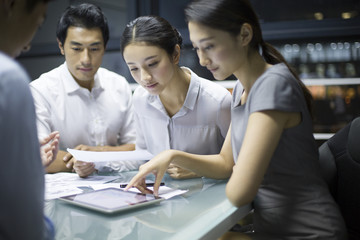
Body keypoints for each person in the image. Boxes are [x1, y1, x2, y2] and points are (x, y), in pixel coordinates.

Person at [124, 0, 347, 239]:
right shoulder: (242, 87)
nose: (202, 60)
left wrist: (239, 172)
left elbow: (240, 192)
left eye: (209, 46)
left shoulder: (272, 84)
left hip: (308, 232)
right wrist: (172, 155)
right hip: (270, 228)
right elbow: (224, 163)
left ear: (244, 34)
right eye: (198, 48)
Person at [30, 3, 137, 178]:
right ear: (61, 46)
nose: (86, 59)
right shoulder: (39, 91)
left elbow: (137, 148)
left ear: (104, 47)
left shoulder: (119, 85)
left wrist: (96, 155)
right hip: (61, 198)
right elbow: (38, 157)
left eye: (94, 49)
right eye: (77, 49)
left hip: (116, 189)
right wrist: (84, 162)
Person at [120, 15, 231, 179]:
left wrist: (198, 170)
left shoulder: (218, 101)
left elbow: (242, 164)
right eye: (134, 68)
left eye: (152, 64)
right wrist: (95, 164)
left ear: (175, 54)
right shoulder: (140, 99)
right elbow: (142, 157)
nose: (145, 77)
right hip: (162, 198)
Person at [0, 0, 59, 239]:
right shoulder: (8, 79)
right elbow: (25, 227)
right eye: (39, 21)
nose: (27, 45)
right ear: (10, 5)